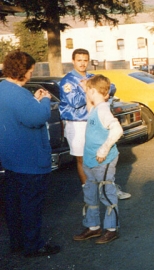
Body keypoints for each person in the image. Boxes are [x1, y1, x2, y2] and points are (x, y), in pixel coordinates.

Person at [0, 51, 61, 257]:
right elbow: (35, 118)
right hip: (30, 161)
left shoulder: (2, 89)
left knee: (13, 206)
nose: (31, 75)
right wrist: (43, 101)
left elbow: (20, 113)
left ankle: (17, 243)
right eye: (30, 70)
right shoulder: (19, 93)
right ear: (22, 71)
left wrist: (32, 101)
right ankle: (33, 245)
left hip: (10, 160)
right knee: (30, 207)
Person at [60, 49, 130, 200]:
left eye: (85, 60)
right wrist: (88, 90)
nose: (82, 63)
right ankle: (90, 190)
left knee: (103, 154)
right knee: (82, 158)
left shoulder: (92, 77)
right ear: (73, 61)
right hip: (77, 123)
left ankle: (108, 187)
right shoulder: (67, 80)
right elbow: (75, 102)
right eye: (79, 60)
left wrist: (93, 89)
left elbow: (110, 87)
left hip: (95, 121)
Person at [73, 75, 124, 244]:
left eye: (88, 91)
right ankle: (93, 227)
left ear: (93, 91)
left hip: (103, 160)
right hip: (90, 160)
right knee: (91, 193)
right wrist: (85, 87)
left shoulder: (103, 110)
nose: (86, 94)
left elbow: (117, 130)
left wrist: (104, 148)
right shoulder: (96, 107)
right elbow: (90, 104)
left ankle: (111, 229)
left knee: (106, 193)